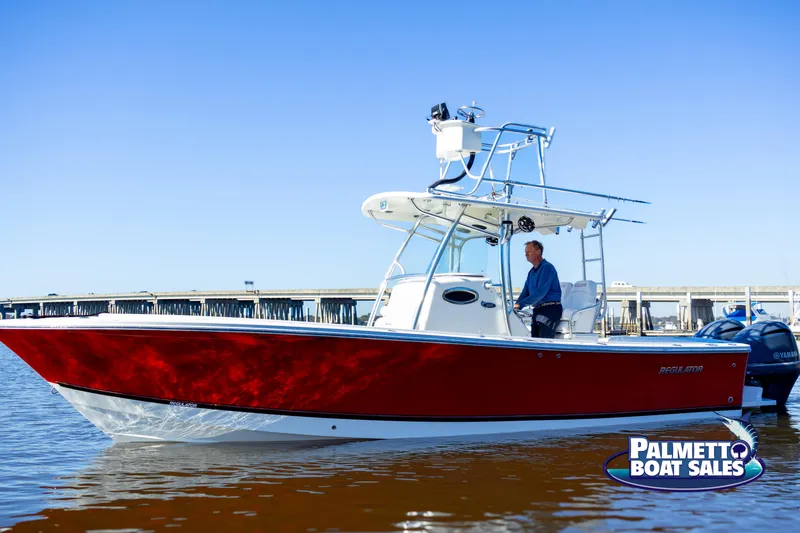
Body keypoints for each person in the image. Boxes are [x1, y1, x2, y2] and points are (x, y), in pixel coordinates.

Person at [513, 240, 562, 338]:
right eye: (525, 252)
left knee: (544, 343)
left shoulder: (547, 268)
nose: (526, 254)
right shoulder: (531, 272)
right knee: (534, 341)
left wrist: (520, 305)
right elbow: (525, 293)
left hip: (550, 310)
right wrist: (515, 307)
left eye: (529, 252)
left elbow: (540, 293)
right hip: (537, 311)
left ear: (538, 252)